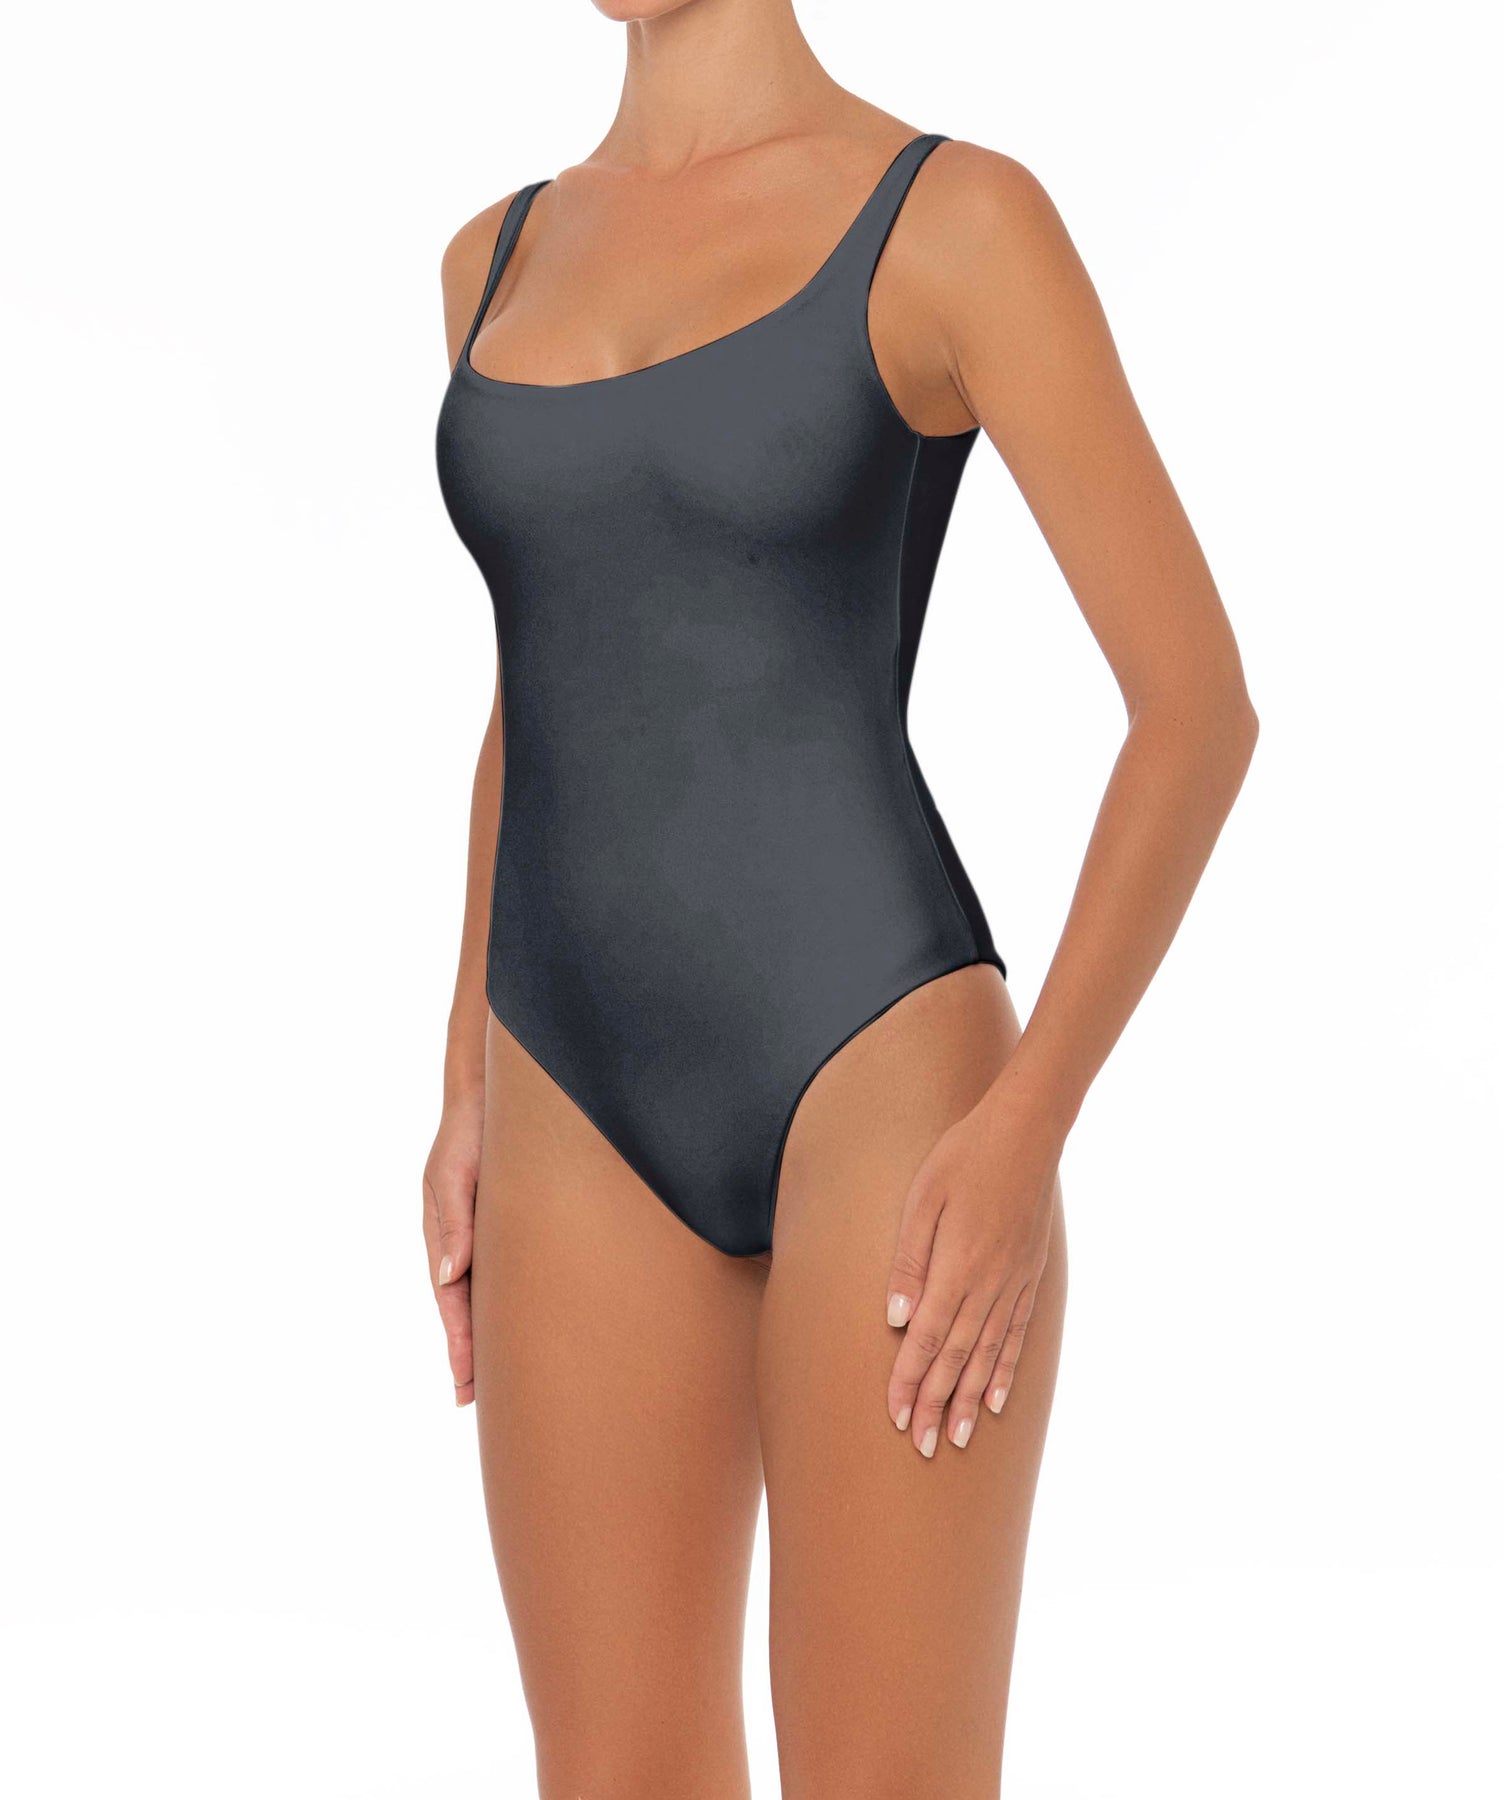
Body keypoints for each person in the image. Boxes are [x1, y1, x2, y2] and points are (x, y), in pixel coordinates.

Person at [424, 0, 1257, 1792]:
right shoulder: (490, 259)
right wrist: (462, 1077)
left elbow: (1196, 710)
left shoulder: (953, 220)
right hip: (566, 1071)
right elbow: (544, 675)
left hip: (880, 1075)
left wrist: (1029, 1123)